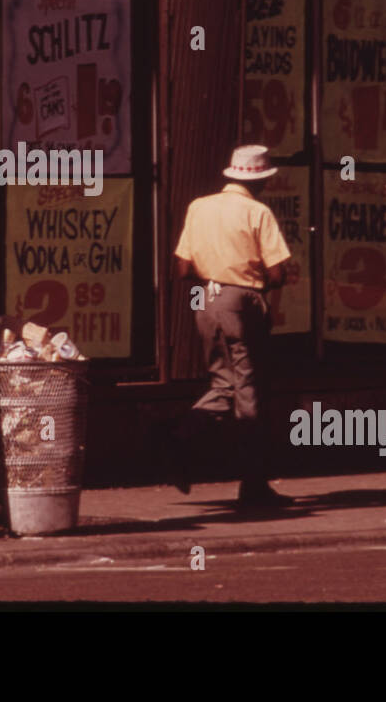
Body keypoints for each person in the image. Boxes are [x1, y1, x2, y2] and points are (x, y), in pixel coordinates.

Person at [170, 145, 291, 509]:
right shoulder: (258, 212)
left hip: (205, 299)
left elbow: (182, 269)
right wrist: (251, 287)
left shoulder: (199, 206)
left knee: (225, 382)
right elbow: (277, 272)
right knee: (248, 390)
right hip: (242, 300)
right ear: (261, 180)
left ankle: (183, 437)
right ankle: (252, 485)